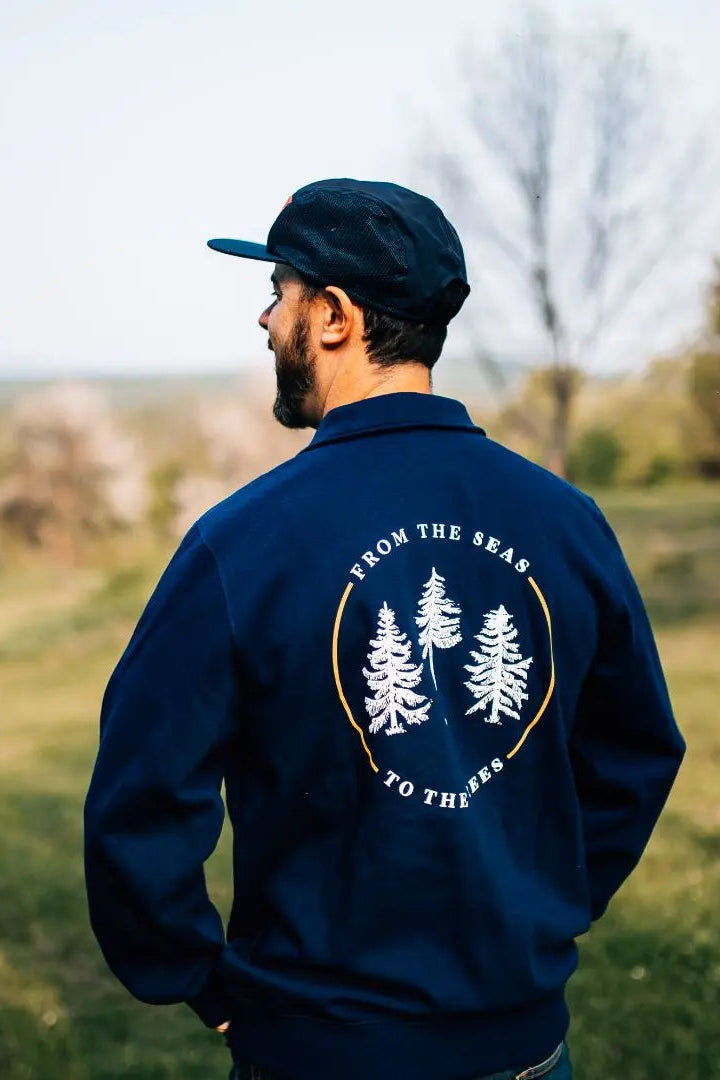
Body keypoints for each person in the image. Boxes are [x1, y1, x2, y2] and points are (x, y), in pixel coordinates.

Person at [84, 179, 686, 1080]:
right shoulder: (567, 522)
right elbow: (636, 755)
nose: (264, 320)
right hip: (526, 1044)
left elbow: (140, 798)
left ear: (334, 316)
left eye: (280, 293)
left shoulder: (241, 542)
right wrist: (539, 909)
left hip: (320, 1050)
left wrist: (201, 981)